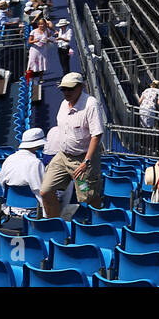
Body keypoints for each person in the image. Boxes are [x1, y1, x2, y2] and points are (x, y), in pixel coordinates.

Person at [39, 72, 104, 217]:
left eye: (70, 89)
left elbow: (97, 135)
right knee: (45, 191)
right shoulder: (63, 104)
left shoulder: (91, 104)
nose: (66, 92)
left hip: (81, 161)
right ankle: (55, 225)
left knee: (88, 195)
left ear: (80, 87)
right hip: (62, 157)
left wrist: (86, 162)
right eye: (64, 89)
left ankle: (101, 220)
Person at [0, 128, 48, 222]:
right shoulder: (36, 163)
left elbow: (0, 183)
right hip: (32, 208)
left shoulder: (9, 159)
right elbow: (41, 190)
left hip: (10, 206)